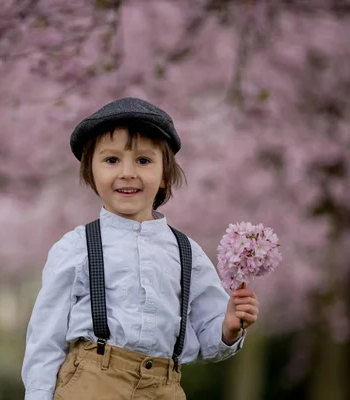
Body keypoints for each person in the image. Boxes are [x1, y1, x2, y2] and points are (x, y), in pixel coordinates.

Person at [21, 97, 260, 400]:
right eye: (111, 160)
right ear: (91, 172)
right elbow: (45, 340)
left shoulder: (187, 252)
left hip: (164, 387)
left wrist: (228, 326)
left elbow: (207, 337)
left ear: (164, 175)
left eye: (143, 161)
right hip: (91, 385)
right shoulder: (76, 247)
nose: (127, 172)